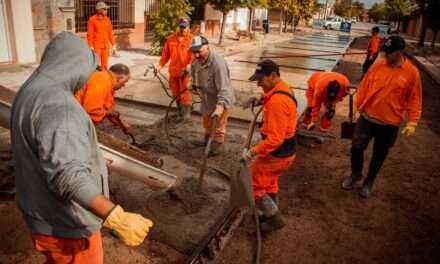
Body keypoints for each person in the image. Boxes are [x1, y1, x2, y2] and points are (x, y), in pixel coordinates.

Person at [10, 32, 152, 264]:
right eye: (88, 70)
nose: (87, 78)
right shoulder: (61, 108)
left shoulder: (31, 90)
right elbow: (68, 176)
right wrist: (115, 216)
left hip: (41, 213)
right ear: (74, 65)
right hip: (67, 225)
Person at [341, 36, 422, 198]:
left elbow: (415, 98)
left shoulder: (412, 73)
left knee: (379, 154)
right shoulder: (379, 65)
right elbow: (365, 85)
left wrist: (413, 121)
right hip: (368, 117)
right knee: (356, 147)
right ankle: (356, 174)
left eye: (390, 53)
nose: (385, 56)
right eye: (385, 52)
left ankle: (369, 181)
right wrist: (358, 106)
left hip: (389, 123)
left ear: (400, 52)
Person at [242, 60, 297, 233]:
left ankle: (275, 219)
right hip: (286, 153)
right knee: (270, 182)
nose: (258, 84)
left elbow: (275, 139)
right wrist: (261, 98)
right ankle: (269, 211)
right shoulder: (283, 87)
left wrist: (252, 152)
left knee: (252, 184)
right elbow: (276, 95)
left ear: (273, 75)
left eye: (261, 80)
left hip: (276, 154)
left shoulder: (276, 103)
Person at [190, 36, 235, 155]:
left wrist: (220, 106)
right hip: (206, 97)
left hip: (220, 99)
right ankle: (207, 141)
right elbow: (193, 70)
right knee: (207, 121)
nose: (196, 55)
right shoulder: (196, 60)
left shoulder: (217, 64)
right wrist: (193, 84)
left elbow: (224, 87)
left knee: (218, 126)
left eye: (199, 51)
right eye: (194, 52)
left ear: (207, 47)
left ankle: (216, 147)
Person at [75, 63, 131, 131]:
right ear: (120, 78)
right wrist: (108, 113)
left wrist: (121, 122)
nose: (124, 85)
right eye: (125, 81)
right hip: (73, 118)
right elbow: (90, 110)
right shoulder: (102, 80)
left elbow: (108, 107)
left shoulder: (107, 80)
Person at [157, 17, 193, 121]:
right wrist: (159, 66)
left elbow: (195, 56)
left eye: (185, 27)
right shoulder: (170, 39)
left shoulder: (192, 39)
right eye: (181, 27)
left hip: (186, 73)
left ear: (188, 27)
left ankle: (186, 116)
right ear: (178, 26)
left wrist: (190, 65)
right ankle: (180, 113)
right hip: (174, 72)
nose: (183, 29)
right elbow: (165, 56)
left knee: (185, 94)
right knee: (176, 94)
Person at [87, 1, 115, 70]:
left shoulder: (107, 20)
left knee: (105, 65)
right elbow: (90, 34)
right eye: (105, 9)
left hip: (105, 46)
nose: (106, 10)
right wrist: (90, 45)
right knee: (96, 64)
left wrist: (113, 44)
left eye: (106, 9)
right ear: (99, 10)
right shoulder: (92, 20)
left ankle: (104, 78)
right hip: (97, 46)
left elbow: (110, 33)